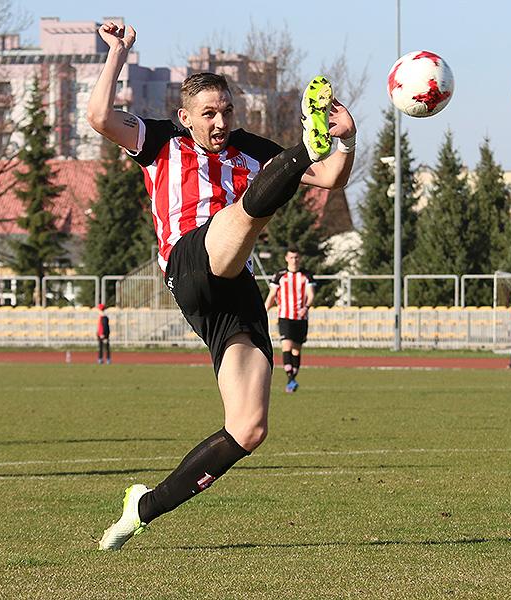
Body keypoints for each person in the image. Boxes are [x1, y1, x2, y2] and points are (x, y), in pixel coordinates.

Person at [87, 21, 356, 550]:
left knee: (248, 428)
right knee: (245, 216)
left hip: (234, 286)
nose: (220, 121)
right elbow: (99, 116)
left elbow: (332, 180)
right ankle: (303, 146)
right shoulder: (159, 138)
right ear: (185, 117)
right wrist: (118, 52)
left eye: (227, 111)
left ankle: (141, 508)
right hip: (189, 263)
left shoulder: (250, 148)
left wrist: (345, 140)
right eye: (209, 113)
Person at [264, 246, 315, 393]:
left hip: (301, 318)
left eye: (296, 257)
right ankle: (290, 380)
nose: (294, 260)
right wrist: (263, 312)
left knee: (296, 351)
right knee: (286, 346)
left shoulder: (307, 275)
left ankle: (292, 378)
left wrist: (306, 306)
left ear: (300, 259)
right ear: (286, 258)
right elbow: (272, 296)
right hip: (285, 317)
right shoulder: (280, 275)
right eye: (291, 257)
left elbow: (311, 294)